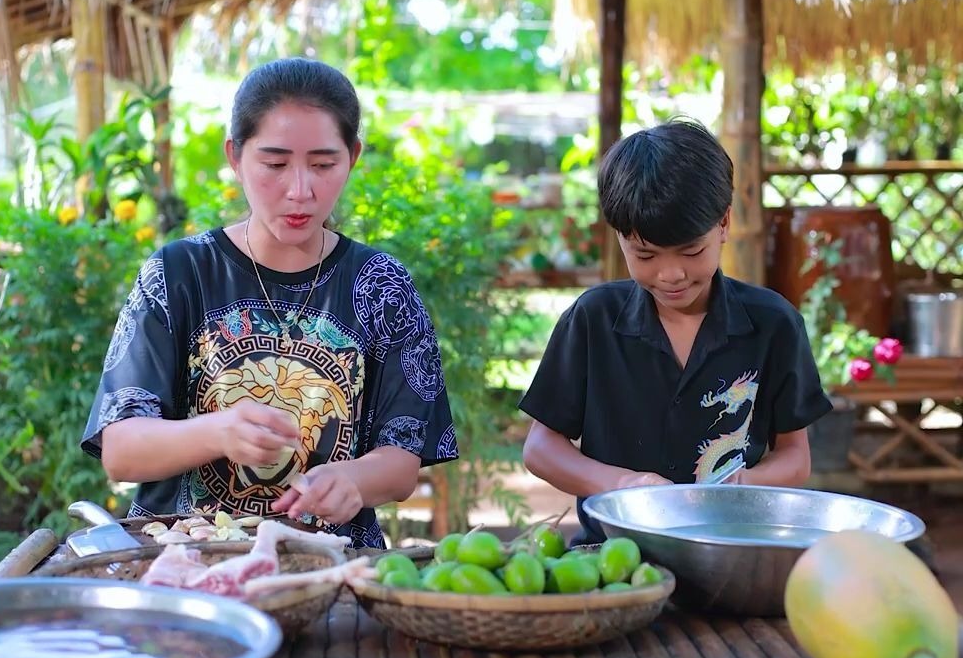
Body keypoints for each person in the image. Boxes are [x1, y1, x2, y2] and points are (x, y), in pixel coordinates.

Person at [81, 57, 458, 550]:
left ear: (354, 156)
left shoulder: (381, 285)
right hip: (185, 563)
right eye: (275, 164)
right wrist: (216, 431)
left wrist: (354, 481)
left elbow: (402, 462)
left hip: (331, 566)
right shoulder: (178, 275)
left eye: (323, 165)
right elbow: (121, 449)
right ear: (235, 156)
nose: (300, 190)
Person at [519, 118, 832, 544]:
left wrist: (743, 488)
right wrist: (623, 485)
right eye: (645, 254)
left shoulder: (774, 324)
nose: (671, 275)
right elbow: (540, 449)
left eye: (691, 251)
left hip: (730, 552)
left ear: (723, 223)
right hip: (612, 558)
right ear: (620, 238)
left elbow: (795, 456)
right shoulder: (592, 319)